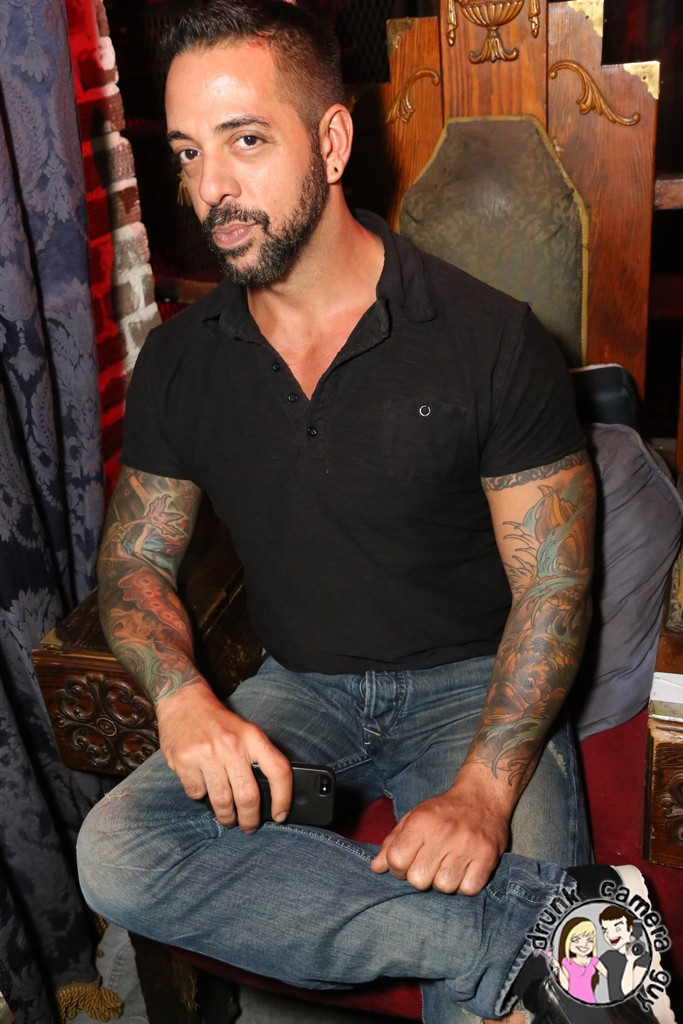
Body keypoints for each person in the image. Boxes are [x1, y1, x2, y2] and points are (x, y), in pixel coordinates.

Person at [76, 2, 599, 1021]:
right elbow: (133, 562)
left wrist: (485, 789)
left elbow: (554, 586)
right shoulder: (179, 362)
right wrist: (181, 696)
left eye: (245, 140)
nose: (209, 188)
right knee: (116, 852)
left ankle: (528, 952)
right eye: (187, 151)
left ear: (330, 141)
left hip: (473, 687)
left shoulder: (490, 340)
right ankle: (543, 936)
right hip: (300, 687)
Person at [599, 907, 650, 1002]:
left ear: (630, 929)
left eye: (617, 928)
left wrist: (630, 961)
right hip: (613, 1008)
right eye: (605, 930)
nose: (610, 935)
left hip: (635, 1007)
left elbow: (627, 991)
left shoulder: (642, 957)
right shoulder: (608, 956)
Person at [555, 917, 607, 1003]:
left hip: (590, 1001)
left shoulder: (594, 961)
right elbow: (565, 987)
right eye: (576, 940)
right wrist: (558, 967)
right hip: (571, 1002)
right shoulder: (567, 962)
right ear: (567, 941)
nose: (584, 944)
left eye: (590, 940)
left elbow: (610, 976)